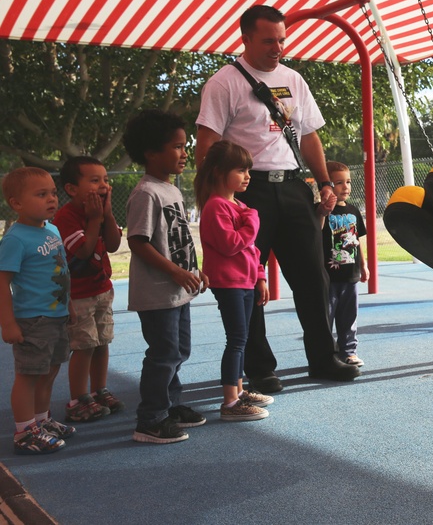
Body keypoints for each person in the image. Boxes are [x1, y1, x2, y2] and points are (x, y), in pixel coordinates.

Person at [196, 4, 359, 394]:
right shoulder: (224, 83)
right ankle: (259, 368)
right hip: (247, 191)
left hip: (292, 186)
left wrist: (323, 182)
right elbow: (207, 143)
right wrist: (215, 198)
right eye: (269, 40)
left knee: (313, 276)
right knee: (248, 281)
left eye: (282, 39)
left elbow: (309, 136)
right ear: (246, 38)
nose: (278, 47)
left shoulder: (293, 79)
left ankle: (324, 357)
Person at [123, 109, 209, 444]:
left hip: (177, 291)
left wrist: (192, 270)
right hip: (158, 293)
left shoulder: (170, 190)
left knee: (178, 350)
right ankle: (150, 419)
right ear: (151, 152)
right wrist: (175, 271)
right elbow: (139, 242)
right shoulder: (146, 193)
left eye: (184, 145)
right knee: (164, 353)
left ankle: (170, 406)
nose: (185, 152)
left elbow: (177, 240)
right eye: (176, 146)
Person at [195, 140, 273, 422]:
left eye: (248, 170)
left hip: (246, 281)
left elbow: (253, 251)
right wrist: (252, 221)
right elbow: (231, 244)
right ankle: (230, 402)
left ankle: (238, 392)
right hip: (228, 283)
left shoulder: (238, 204)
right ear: (218, 172)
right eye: (241, 170)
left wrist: (260, 277)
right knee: (236, 340)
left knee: (242, 338)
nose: (248, 176)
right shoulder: (216, 207)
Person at [0, 167, 75, 454]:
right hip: (33, 320)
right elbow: (2, 282)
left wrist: (68, 307)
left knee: (49, 371)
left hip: (57, 317)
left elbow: (61, 271)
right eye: (41, 194)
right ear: (16, 203)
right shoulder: (15, 239)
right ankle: (24, 431)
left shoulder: (52, 230)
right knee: (28, 375)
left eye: (53, 193)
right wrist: (8, 323)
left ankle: (42, 421)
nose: (51, 199)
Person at [53, 156, 124, 424]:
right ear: (72, 189)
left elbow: (115, 244)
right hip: (79, 294)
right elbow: (83, 251)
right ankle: (78, 399)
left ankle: (99, 390)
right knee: (84, 345)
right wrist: (95, 219)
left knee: (102, 341)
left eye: (105, 179)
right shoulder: (66, 217)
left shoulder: (100, 212)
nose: (104, 185)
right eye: (94, 180)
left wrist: (106, 214)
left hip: (102, 289)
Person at [322, 161, 368, 367]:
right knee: (326, 318)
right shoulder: (322, 212)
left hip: (351, 275)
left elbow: (357, 241)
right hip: (329, 277)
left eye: (348, 182)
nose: (345, 187)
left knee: (349, 317)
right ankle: (326, 353)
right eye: (338, 182)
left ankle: (349, 351)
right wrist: (323, 210)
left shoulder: (354, 211)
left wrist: (364, 265)